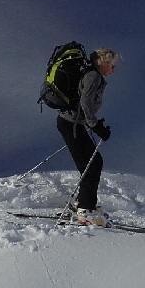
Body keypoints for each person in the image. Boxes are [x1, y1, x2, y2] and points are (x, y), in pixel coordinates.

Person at [57, 47, 119, 226]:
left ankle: (83, 203)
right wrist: (95, 125)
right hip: (71, 124)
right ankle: (85, 209)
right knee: (92, 164)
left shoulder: (92, 74)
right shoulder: (93, 76)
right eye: (112, 65)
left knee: (93, 163)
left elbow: (85, 103)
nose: (113, 69)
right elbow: (85, 102)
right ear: (104, 63)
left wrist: (93, 124)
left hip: (72, 123)